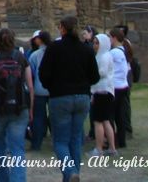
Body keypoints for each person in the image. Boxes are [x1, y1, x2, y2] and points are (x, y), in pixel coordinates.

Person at [39, 16, 100, 182]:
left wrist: (51, 86)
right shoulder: (86, 49)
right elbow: (94, 76)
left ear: (62, 28)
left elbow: (43, 74)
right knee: (74, 139)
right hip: (81, 97)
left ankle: (70, 170)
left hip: (60, 97)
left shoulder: (54, 48)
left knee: (60, 140)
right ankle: (73, 174)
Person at [0, 28, 33, 182]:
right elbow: (29, 85)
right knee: (17, 149)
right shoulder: (21, 58)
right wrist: (31, 108)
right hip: (19, 108)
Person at [88, 33, 117, 157]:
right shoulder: (101, 56)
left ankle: (99, 148)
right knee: (105, 121)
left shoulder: (104, 56)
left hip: (102, 91)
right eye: (94, 42)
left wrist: (90, 73)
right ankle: (111, 148)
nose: (94, 45)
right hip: (103, 90)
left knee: (98, 121)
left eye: (97, 43)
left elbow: (102, 72)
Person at [27, 30, 52, 151]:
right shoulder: (55, 52)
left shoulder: (35, 55)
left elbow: (31, 72)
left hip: (39, 88)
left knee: (38, 117)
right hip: (53, 89)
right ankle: (57, 140)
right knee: (55, 116)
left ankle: (36, 143)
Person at [109, 28, 130, 150]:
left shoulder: (114, 53)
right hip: (123, 85)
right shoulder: (123, 51)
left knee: (110, 115)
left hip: (115, 86)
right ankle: (121, 140)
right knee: (120, 115)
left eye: (110, 37)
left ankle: (111, 140)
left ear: (114, 38)